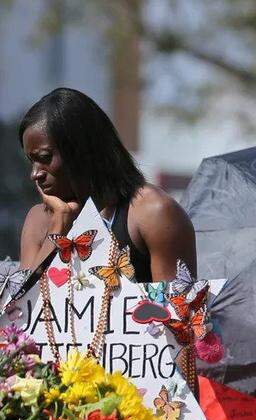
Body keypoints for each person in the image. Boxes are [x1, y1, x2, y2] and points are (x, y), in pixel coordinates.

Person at [18, 88, 195, 281]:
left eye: (44, 157)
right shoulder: (39, 219)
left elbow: (177, 307)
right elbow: (20, 308)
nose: (35, 174)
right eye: (31, 161)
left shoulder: (153, 212)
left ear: (82, 151)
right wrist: (58, 225)